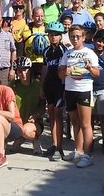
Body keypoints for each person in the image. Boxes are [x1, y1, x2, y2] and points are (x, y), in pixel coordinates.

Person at [58, 24, 101, 168]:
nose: (75, 39)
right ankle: (79, 151)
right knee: (75, 123)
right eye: (72, 36)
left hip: (83, 90)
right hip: (70, 90)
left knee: (85, 124)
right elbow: (60, 74)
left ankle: (88, 155)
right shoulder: (67, 53)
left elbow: (97, 74)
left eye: (78, 36)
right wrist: (66, 72)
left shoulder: (90, 53)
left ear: (83, 37)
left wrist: (89, 68)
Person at [41, 21, 67, 160]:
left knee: (58, 116)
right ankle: (53, 144)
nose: (53, 37)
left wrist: (64, 88)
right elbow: (44, 70)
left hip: (60, 86)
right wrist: (42, 88)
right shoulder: (46, 51)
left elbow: (65, 70)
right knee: (51, 116)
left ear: (61, 36)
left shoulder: (64, 51)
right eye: (51, 34)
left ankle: (60, 147)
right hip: (49, 86)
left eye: (56, 35)